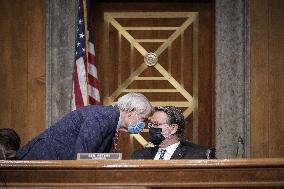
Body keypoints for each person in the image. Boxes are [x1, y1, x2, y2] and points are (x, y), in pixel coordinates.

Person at [16, 93, 153, 160]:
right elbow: (83, 156)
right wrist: (112, 159)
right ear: (132, 111)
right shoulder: (104, 117)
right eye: (143, 119)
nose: (143, 124)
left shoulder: (110, 119)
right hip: (43, 161)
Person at [131, 106, 215, 160]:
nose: (151, 128)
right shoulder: (139, 156)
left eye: (156, 124)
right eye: (151, 124)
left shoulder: (198, 156)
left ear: (173, 128)